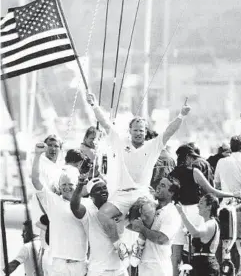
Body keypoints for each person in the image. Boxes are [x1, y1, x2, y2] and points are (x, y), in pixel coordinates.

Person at [86, 91, 191, 261]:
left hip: (141, 192)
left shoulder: (152, 145)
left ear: (145, 132)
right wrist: (93, 104)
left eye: (141, 131)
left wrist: (181, 115)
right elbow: (104, 123)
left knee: (149, 211)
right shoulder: (120, 141)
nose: (138, 133)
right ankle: (119, 246)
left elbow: (169, 131)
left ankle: (139, 246)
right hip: (121, 193)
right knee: (102, 215)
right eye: (135, 130)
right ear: (130, 131)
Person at [170, 143, 241, 276]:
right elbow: (212, 191)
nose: (193, 161)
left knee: (176, 254)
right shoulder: (194, 172)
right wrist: (233, 194)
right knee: (196, 249)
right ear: (187, 157)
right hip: (194, 210)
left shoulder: (172, 174)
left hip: (177, 211)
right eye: (192, 158)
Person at [31, 142, 88, 276]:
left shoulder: (86, 204)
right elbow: (35, 180)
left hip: (80, 264)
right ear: (59, 186)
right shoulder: (53, 201)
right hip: (58, 266)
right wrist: (37, 155)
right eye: (63, 184)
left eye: (70, 184)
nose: (67, 187)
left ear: (77, 184)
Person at [70, 177, 128, 276]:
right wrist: (80, 185)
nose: (103, 191)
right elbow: (74, 207)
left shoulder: (116, 207)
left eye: (104, 188)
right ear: (91, 195)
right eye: (98, 189)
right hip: (99, 271)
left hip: (120, 269)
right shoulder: (87, 210)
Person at [128, 177, 181, 276]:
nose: (158, 187)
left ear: (171, 193)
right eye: (159, 184)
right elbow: (137, 226)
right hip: (144, 268)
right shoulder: (152, 207)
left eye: (163, 185)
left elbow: (161, 238)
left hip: (159, 269)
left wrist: (142, 229)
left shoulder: (172, 213)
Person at [176, 193, 221, 276]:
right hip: (198, 266)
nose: (198, 206)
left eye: (201, 203)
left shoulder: (211, 223)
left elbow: (196, 233)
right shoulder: (205, 223)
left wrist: (182, 213)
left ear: (209, 207)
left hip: (206, 267)